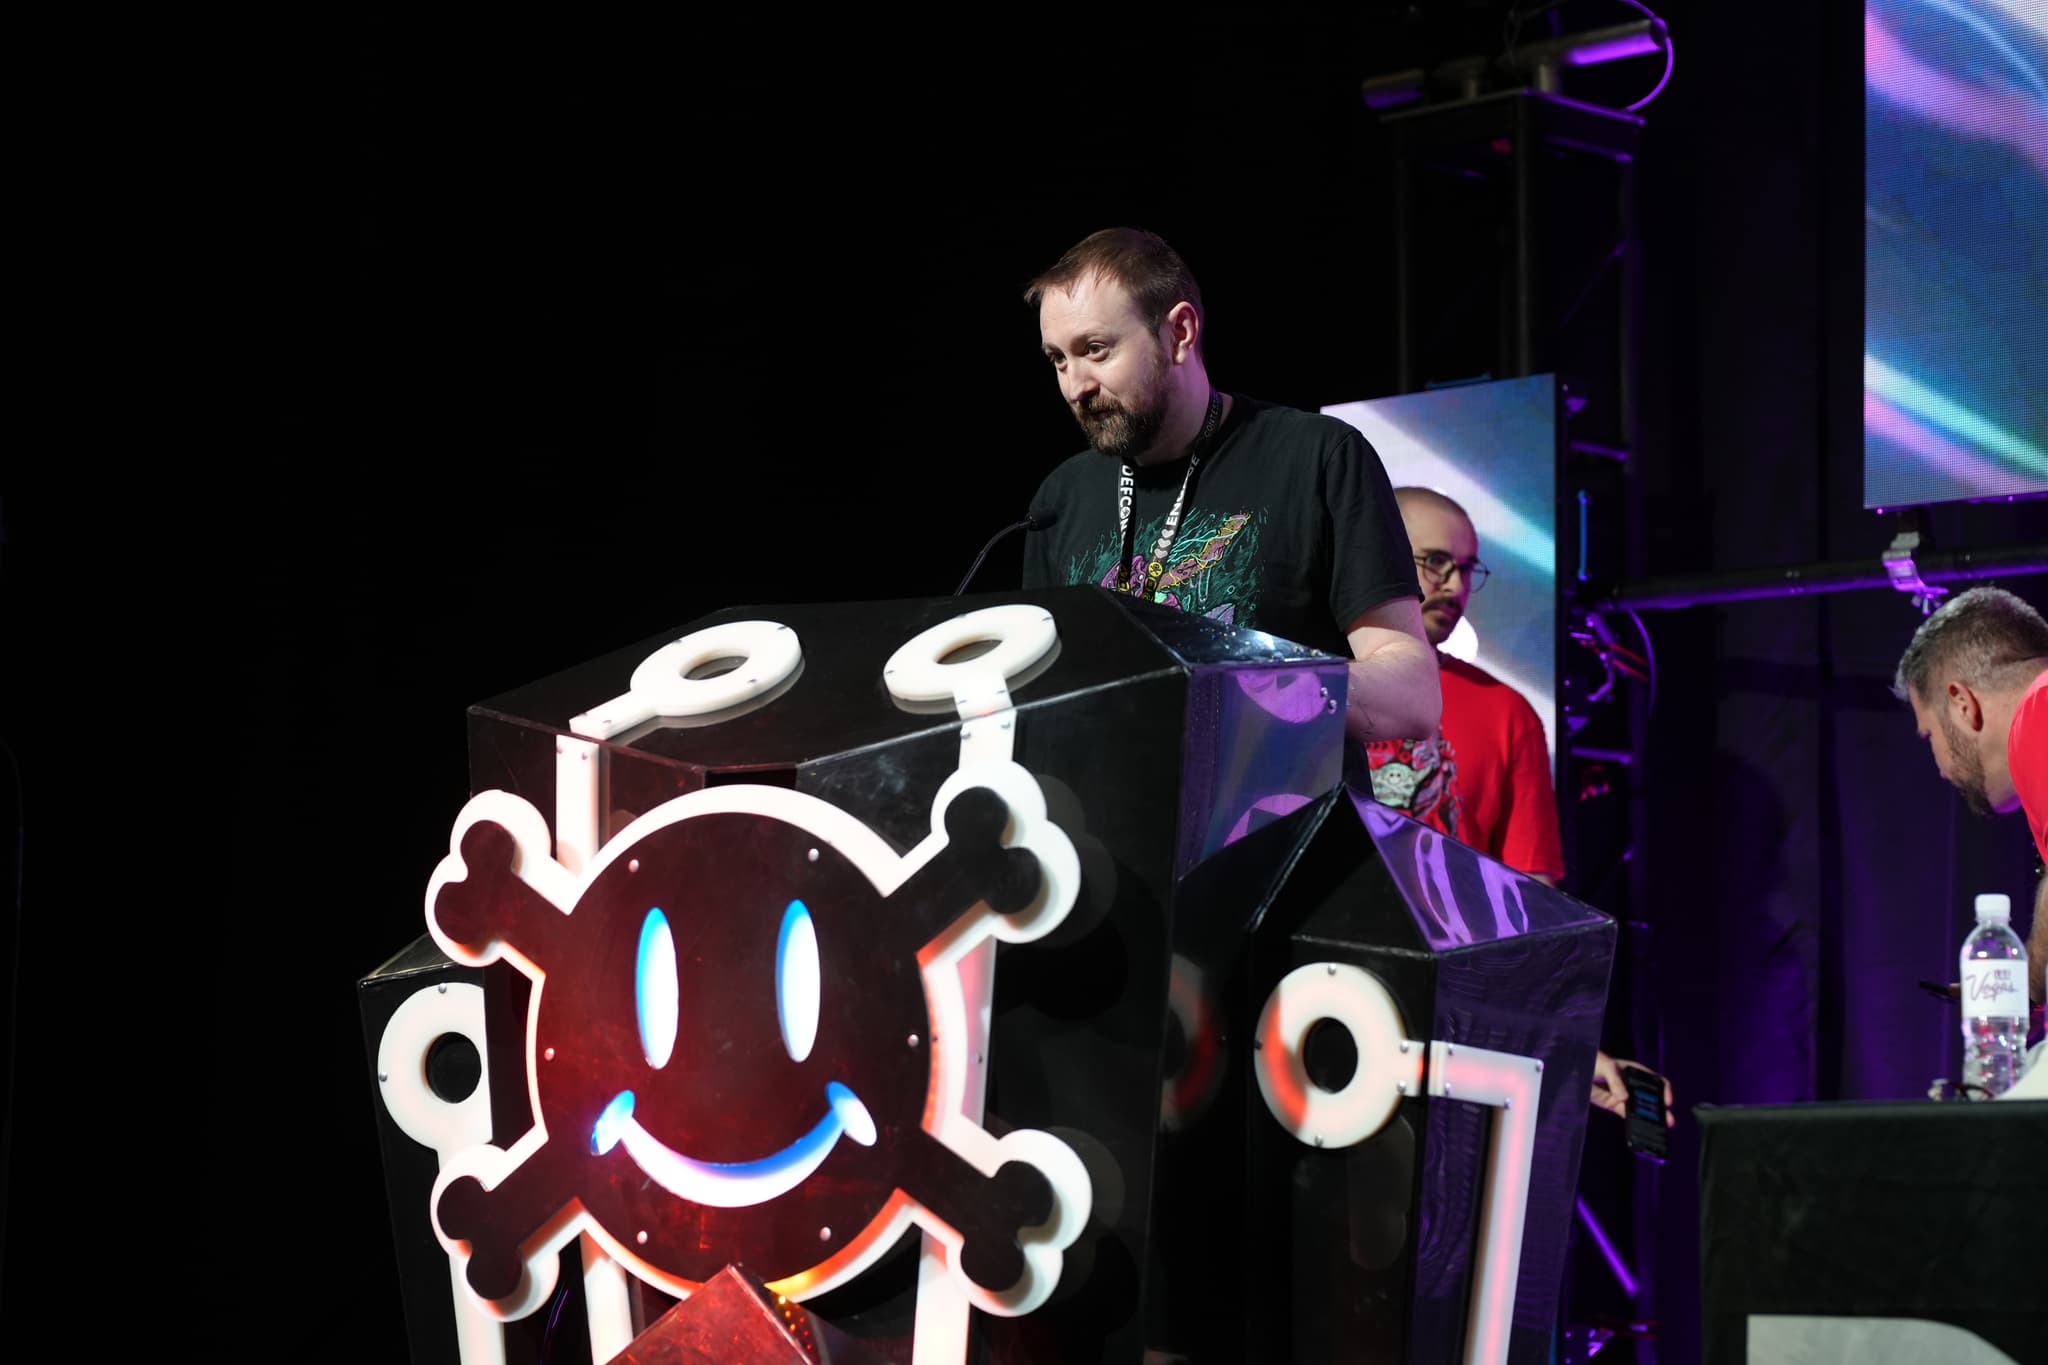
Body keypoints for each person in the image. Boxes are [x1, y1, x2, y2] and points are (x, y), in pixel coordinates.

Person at [1018, 227, 1441, 745]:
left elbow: (1413, 695)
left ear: (1180, 333)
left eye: (1097, 350)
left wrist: (1237, 690)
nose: (1075, 386)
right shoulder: (1060, 499)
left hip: (1275, 817)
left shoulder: (1316, 457)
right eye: (1058, 359)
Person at [1360, 486, 1669, 1123]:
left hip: (1454, 1023)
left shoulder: (1508, 714)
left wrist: (1565, 1044)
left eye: (1468, 568)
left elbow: (1528, 908)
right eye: (1434, 562)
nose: (1455, 584)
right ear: (1379, 553)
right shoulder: (1302, 681)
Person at [1894, 584, 2048, 1010]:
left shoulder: (2040, 706)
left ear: (1962, 703)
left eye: (1929, 736)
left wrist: (2028, 989)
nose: (1941, 768)